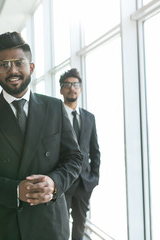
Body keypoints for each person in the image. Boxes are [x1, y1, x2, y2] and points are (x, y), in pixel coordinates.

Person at [0, 32, 84, 240]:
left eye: (19, 63)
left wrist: (54, 183)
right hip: (7, 227)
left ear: (32, 67)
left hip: (50, 223)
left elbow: (74, 158)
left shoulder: (54, 107)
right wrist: (14, 190)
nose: (12, 70)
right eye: (4, 65)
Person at [59, 68, 101, 240]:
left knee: (79, 225)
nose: (72, 88)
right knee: (60, 225)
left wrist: (95, 177)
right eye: (68, 85)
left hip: (84, 183)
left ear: (80, 89)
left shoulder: (89, 117)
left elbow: (95, 150)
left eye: (75, 84)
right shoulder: (56, 115)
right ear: (61, 89)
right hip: (63, 182)